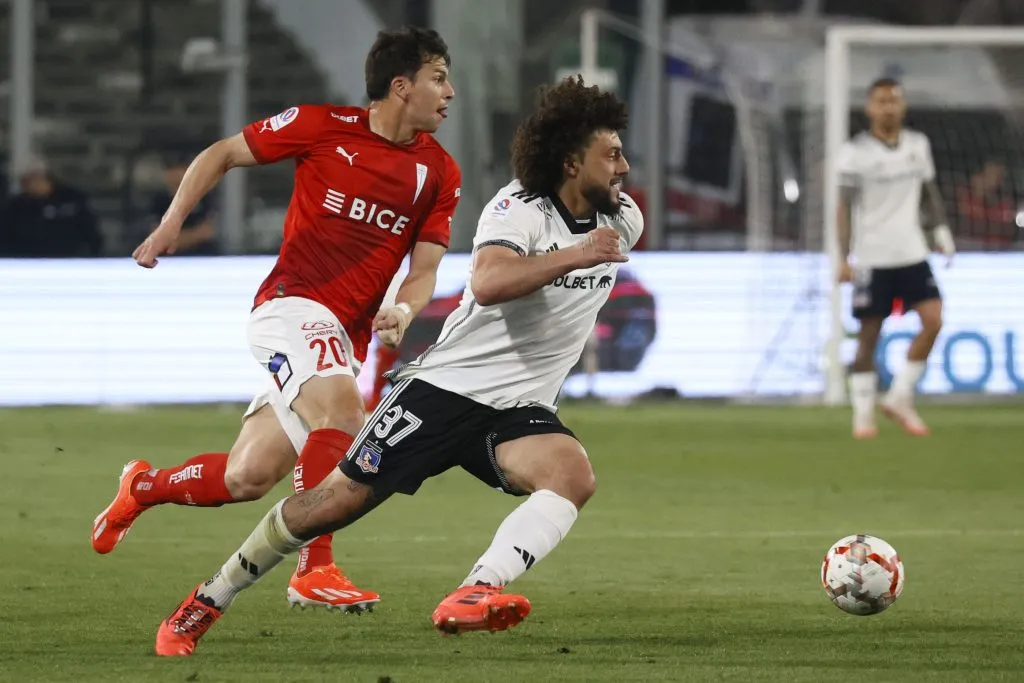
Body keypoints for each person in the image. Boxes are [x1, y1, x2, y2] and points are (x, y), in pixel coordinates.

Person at [149, 75, 641, 657]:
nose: (624, 167)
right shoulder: (518, 209)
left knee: (573, 476)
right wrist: (578, 253)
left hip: (518, 407)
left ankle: (474, 591)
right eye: (610, 155)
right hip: (444, 390)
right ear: (569, 161)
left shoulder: (624, 219)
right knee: (329, 505)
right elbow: (486, 283)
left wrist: (586, 249)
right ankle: (209, 598)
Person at [91, 27, 460, 614]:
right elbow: (222, 153)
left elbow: (425, 269)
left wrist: (406, 308)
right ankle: (315, 569)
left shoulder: (439, 172)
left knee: (248, 476)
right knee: (344, 413)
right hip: (291, 305)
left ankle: (144, 486)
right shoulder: (322, 127)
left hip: (342, 336)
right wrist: (169, 227)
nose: (450, 92)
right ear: (400, 85)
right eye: (438, 78)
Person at [836, 77, 956, 439]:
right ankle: (862, 417)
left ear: (902, 106)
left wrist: (941, 232)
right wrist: (844, 257)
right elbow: (843, 207)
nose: (888, 107)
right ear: (870, 108)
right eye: (881, 101)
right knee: (868, 337)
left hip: (912, 251)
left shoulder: (918, 145)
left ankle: (901, 395)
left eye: (894, 101)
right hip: (873, 257)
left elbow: (928, 192)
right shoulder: (855, 152)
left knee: (933, 321)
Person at [0, 155, 103, 257]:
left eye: (35, 177)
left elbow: (91, 234)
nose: (31, 184)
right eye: (25, 181)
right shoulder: (15, 207)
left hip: (70, 262)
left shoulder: (72, 199)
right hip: (29, 264)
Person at [147, 155, 219, 255]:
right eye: (172, 170)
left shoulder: (204, 197)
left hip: (202, 256)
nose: (176, 175)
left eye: (180, 169)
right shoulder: (158, 201)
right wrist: (195, 235)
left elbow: (207, 232)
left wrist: (176, 238)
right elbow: (158, 239)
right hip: (166, 259)